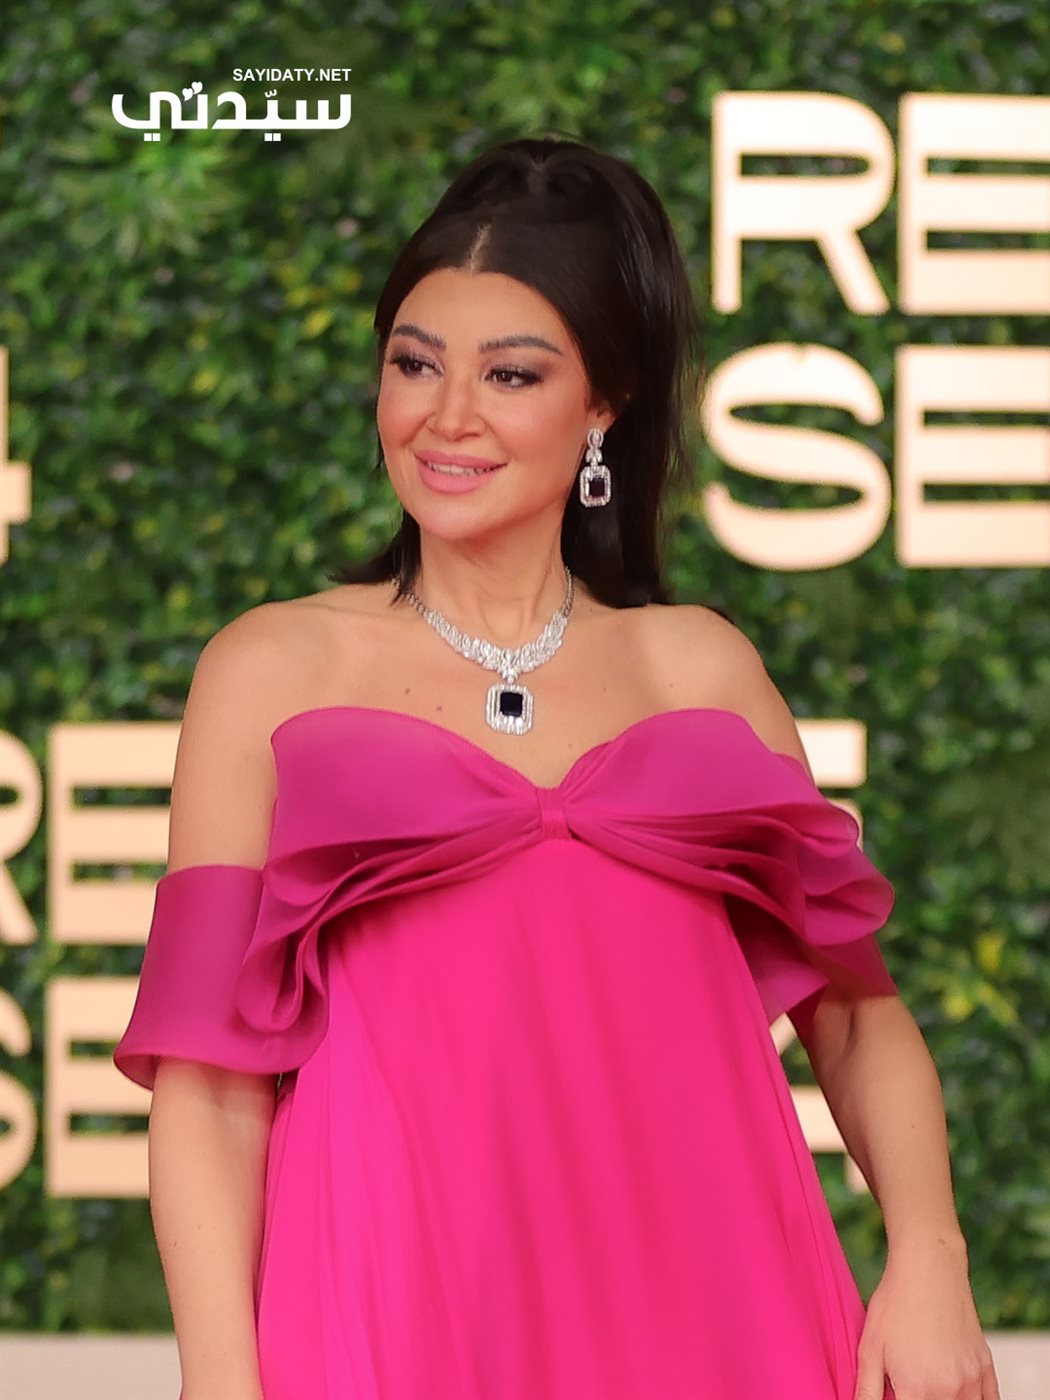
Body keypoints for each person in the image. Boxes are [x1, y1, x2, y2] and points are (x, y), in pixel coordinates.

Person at [113, 136, 998, 1400]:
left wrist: (931, 1256)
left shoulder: (699, 669)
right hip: (399, 1314)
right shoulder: (272, 669)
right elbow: (208, 1082)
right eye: (414, 362)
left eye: (511, 373)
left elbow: (856, 1015)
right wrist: (219, 1379)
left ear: (604, 403)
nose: (446, 416)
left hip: (720, 1311)